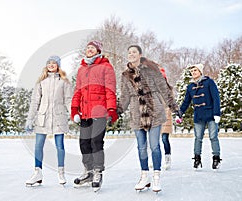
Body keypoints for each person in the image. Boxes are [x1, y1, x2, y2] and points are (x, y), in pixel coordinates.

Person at [117, 45, 181, 192]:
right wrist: (118, 110)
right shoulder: (125, 75)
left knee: (154, 146)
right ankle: (144, 175)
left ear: (140, 54)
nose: (131, 54)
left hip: (154, 111)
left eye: (134, 51)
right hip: (136, 113)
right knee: (141, 147)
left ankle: (156, 176)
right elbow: (125, 96)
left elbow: (164, 89)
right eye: (129, 52)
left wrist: (173, 106)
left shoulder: (152, 70)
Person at [71, 40, 118, 192]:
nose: (89, 50)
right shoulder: (81, 69)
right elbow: (78, 91)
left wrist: (111, 109)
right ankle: (88, 172)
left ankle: (98, 172)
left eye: (92, 48)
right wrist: (74, 109)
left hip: (100, 111)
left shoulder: (106, 67)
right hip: (85, 112)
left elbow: (110, 90)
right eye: (87, 48)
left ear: (98, 51)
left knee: (96, 142)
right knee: (84, 143)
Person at [25, 55, 73, 186]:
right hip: (43, 117)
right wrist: (30, 119)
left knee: (60, 146)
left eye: (54, 63)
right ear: (46, 65)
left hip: (59, 117)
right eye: (49, 63)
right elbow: (35, 102)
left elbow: (68, 100)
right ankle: (37, 173)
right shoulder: (41, 81)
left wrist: (74, 114)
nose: (51, 65)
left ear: (58, 65)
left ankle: (61, 172)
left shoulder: (64, 82)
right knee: (38, 145)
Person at [177, 63, 222, 170]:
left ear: (200, 71)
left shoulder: (209, 82)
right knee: (198, 138)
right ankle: (197, 159)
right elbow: (186, 102)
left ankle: (216, 158)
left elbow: (216, 98)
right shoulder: (190, 86)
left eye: (195, 70)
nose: (193, 73)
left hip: (211, 114)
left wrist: (217, 113)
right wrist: (179, 113)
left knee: (213, 137)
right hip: (198, 115)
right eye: (192, 71)